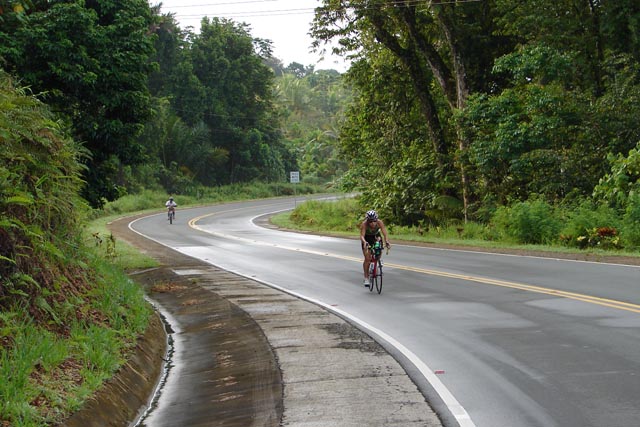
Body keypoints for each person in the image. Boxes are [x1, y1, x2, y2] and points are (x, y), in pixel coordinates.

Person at [359, 210, 390, 287]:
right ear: (367, 221)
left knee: (379, 248)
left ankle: (378, 259)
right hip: (367, 239)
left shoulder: (380, 222)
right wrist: (365, 242)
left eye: (374, 221)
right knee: (367, 259)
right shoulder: (364, 224)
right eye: (370, 221)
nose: (372, 223)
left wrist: (387, 241)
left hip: (376, 237)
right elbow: (362, 236)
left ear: (376, 220)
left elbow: (385, 233)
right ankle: (366, 278)